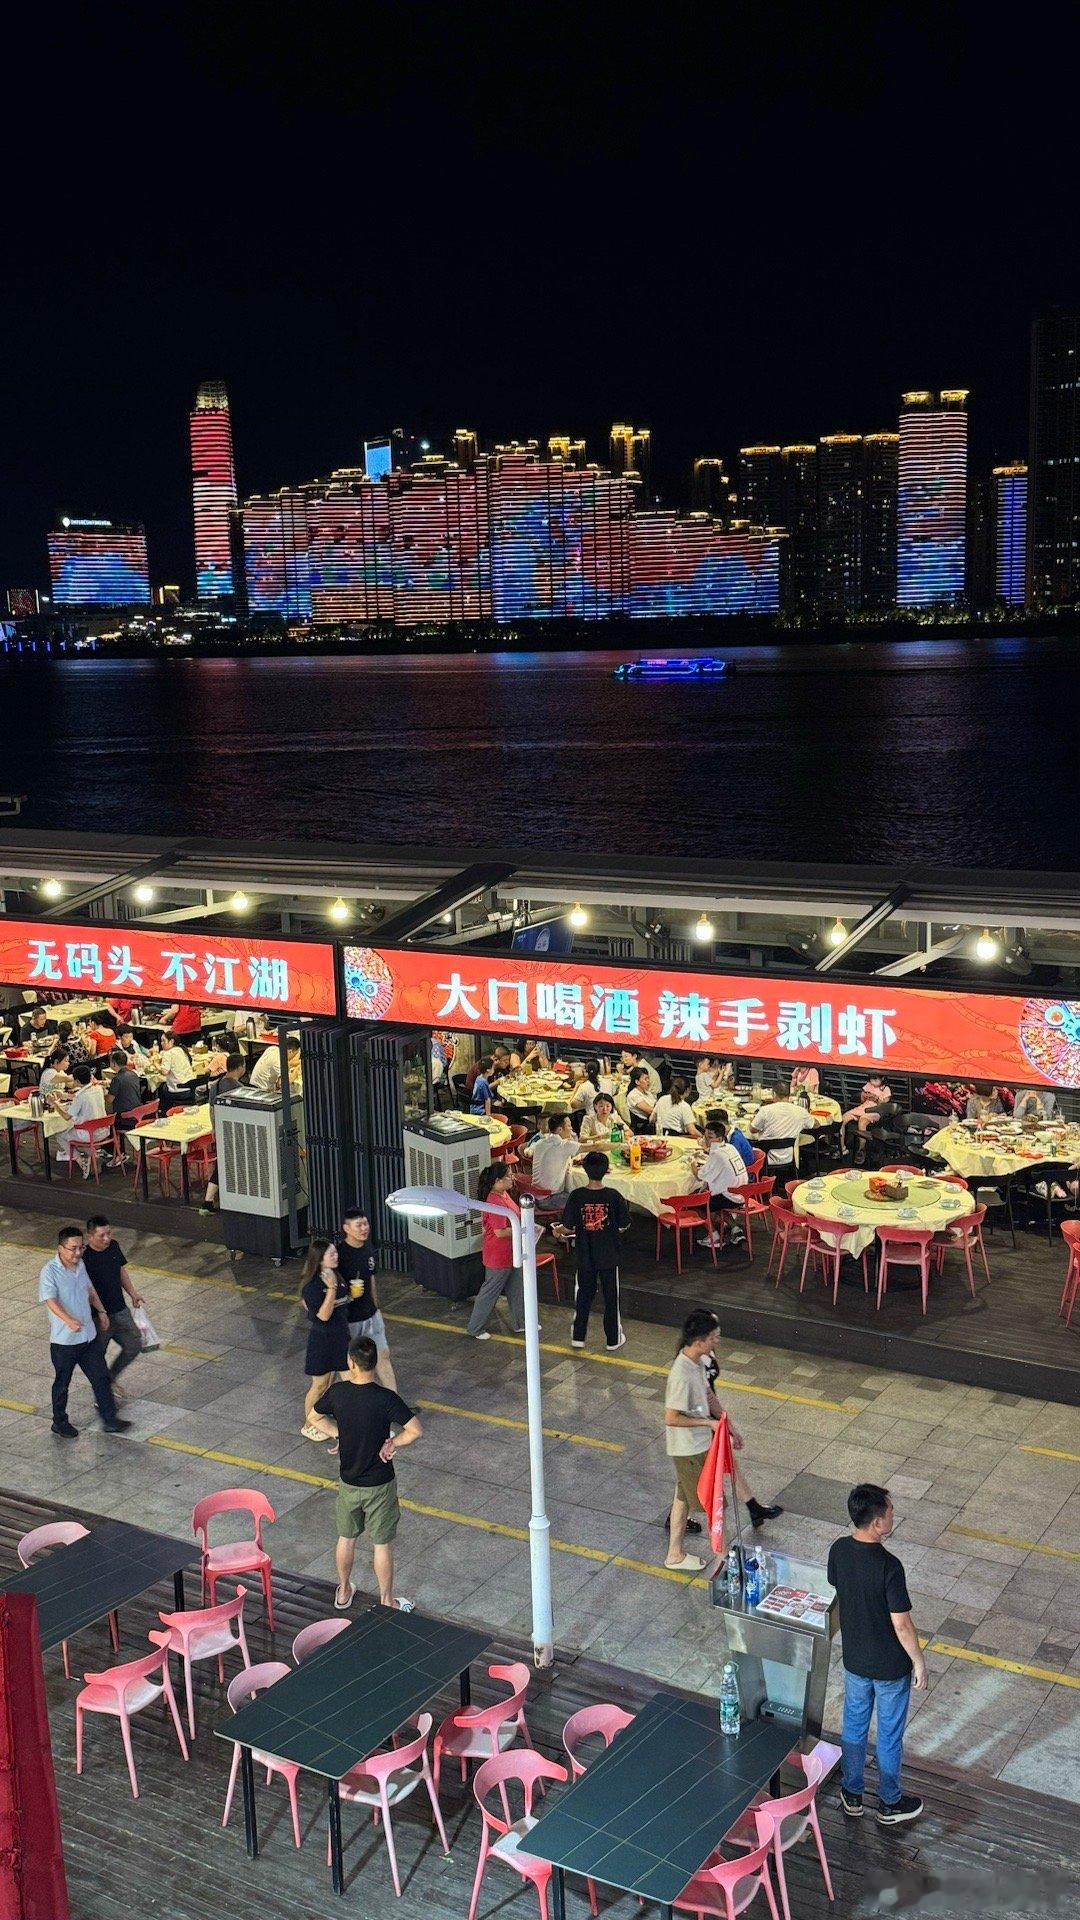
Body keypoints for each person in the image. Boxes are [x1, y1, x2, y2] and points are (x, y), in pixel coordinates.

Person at [827, 1484, 927, 1827]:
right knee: (888, 1735)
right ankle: (889, 1802)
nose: (892, 1515)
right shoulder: (889, 1566)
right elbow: (902, 1624)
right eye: (889, 1512)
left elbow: (838, 1587)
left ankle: (852, 1793)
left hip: (855, 1660)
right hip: (890, 1667)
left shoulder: (839, 1550)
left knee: (854, 1727)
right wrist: (918, 1661)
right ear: (877, 1523)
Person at [309, 1335, 422, 1611]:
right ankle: (387, 1601)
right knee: (381, 1544)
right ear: (374, 1363)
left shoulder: (338, 1393)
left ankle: (343, 1591)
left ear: (351, 1363)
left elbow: (313, 1417)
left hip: (349, 1481)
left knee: (346, 1537)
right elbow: (415, 1430)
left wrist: (339, 1434)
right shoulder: (386, 1398)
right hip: (380, 1483)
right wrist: (393, 1443)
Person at [664, 1309, 781, 1573]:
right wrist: (708, 1423)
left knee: (683, 1498)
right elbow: (671, 1418)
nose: (716, 1341)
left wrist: (729, 1426)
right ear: (699, 1341)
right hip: (689, 1450)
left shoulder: (697, 1362)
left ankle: (675, 1554)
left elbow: (708, 1395)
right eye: (713, 1338)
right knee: (715, 1505)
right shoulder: (681, 1374)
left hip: (698, 1445)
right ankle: (724, 1562)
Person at [38, 1225, 131, 1438]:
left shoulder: (80, 1266)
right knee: (62, 1383)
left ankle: (110, 1420)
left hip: (88, 1337)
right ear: (60, 1248)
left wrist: (101, 1311)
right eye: (73, 1248)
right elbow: (49, 1300)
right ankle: (59, 1422)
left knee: (101, 1377)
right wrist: (68, 1320)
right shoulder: (49, 1271)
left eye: (80, 1248)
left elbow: (89, 1290)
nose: (78, 1253)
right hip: (65, 1342)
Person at [556, 1150, 630, 1351]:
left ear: (585, 1169)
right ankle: (613, 1339)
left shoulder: (576, 1196)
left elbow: (568, 1227)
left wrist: (557, 1231)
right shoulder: (614, 1196)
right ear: (606, 1170)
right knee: (611, 1297)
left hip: (585, 1254)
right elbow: (624, 1224)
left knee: (583, 1295)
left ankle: (578, 1337)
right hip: (609, 1254)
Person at [81, 1216, 146, 1389]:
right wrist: (99, 1312)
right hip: (99, 1318)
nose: (107, 1239)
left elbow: (120, 1270)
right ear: (90, 1236)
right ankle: (102, 1393)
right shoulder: (84, 1259)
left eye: (109, 1234)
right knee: (97, 1357)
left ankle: (110, 1379)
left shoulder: (113, 1247)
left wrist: (132, 1293)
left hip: (120, 1310)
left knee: (134, 1345)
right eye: (101, 1236)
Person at [336, 1207, 396, 1390]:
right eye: (358, 1225)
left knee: (382, 1355)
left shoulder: (368, 1248)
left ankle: (394, 1399)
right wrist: (348, 1296)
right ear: (347, 1228)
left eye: (365, 1224)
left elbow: (371, 1279)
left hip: (371, 1315)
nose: (364, 1228)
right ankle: (356, 1400)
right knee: (351, 1365)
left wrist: (376, 1308)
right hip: (350, 1319)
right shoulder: (339, 1255)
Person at [300, 1238, 352, 1440]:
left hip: (341, 1337)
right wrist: (331, 1290)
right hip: (323, 1341)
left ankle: (359, 1422)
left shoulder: (336, 1275)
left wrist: (349, 1297)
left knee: (350, 1382)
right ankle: (309, 1424)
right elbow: (323, 1315)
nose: (336, 1256)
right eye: (331, 1254)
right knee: (320, 1385)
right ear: (320, 1259)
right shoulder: (313, 1286)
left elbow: (342, 1299)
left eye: (335, 1252)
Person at [467, 1163, 527, 1339]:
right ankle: (475, 1328)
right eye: (508, 1176)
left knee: (517, 1288)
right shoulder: (494, 1201)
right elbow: (500, 1231)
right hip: (499, 1254)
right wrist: (523, 1230)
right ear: (497, 1181)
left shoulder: (504, 1194)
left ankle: (521, 1323)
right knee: (490, 1291)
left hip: (512, 1250)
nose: (512, 1178)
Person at [199, 1053, 247, 1210]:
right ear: (240, 1067)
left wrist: (214, 1128)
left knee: (223, 1163)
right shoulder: (240, 1088)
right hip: (235, 1133)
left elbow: (212, 1109)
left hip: (220, 1130)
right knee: (230, 1165)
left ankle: (209, 1200)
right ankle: (211, 1201)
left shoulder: (217, 1085)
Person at [693, 1121, 747, 1246]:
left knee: (698, 1202)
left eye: (710, 1137)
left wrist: (692, 1164)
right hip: (742, 1194)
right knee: (716, 1199)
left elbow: (700, 1176)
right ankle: (735, 1229)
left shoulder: (716, 1154)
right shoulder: (730, 1147)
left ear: (719, 1138)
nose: (706, 1139)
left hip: (730, 1196)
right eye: (705, 1136)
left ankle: (714, 1237)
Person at [54, 1064, 107, 1175]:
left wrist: (55, 1104)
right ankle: (94, 1157)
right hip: (104, 1130)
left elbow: (67, 1117)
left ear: (77, 1081)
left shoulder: (81, 1097)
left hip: (89, 1134)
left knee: (60, 1135)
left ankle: (81, 1161)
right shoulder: (99, 1089)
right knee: (77, 1133)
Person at [750, 1082, 810, 1181]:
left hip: (766, 1157)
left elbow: (752, 1130)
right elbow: (814, 1124)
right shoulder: (800, 1111)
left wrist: (752, 1121)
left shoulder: (765, 1110)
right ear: (789, 1095)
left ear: (773, 1094)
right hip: (789, 1155)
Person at [530, 1113, 580, 1192]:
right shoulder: (563, 1145)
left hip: (535, 1192)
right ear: (560, 1129)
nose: (571, 1128)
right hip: (550, 1196)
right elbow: (595, 1146)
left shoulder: (540, 1142)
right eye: (569, 1126)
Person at [108, 1048, 145, 1152]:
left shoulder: (117, 1079)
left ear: (114, 1064)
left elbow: (109, 1099)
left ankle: (115, 1152)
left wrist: (102, 1093)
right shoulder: (133, 1074)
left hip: (124, 1117)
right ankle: (120, 1152)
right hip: (137, 1113)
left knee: (107, 1123)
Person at [626, 1066, 657, 1133]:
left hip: (653, 1121)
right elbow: (650, 1111)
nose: (648, 1081)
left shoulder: (647, 1092)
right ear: (637, 1082)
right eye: (645, 1079)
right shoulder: (633, 1095)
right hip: (644, 1127)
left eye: (648, 1078)